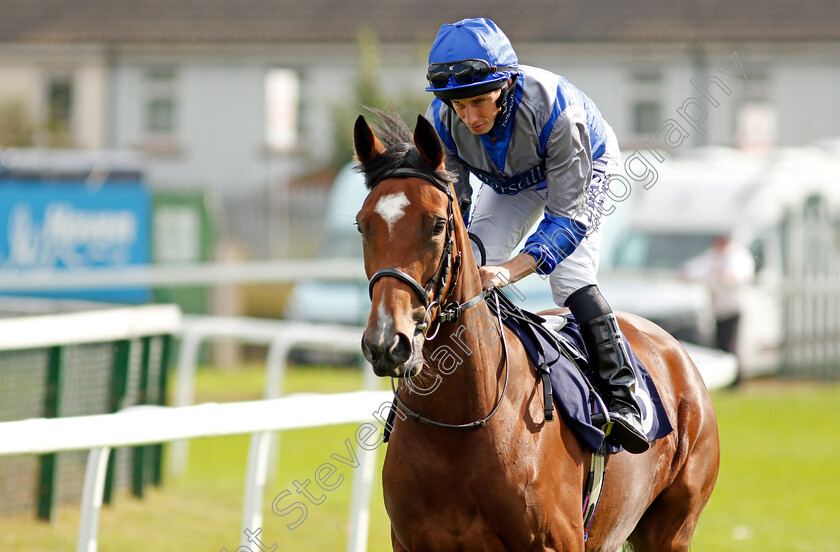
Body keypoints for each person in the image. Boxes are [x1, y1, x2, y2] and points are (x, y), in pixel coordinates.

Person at [423, 17, 649, 453]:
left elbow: (567, 220)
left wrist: (509, 272)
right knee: (469, 256)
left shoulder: (557, 112)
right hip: (513, 182)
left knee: (570, 279)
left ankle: (624, 397)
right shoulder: (443, 120)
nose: (470, 118)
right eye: (458, 106)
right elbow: (455, 205)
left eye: (479, 102)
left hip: (586, 166)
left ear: (504, 85)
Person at [682, 234, 756, 385]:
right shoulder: (713, 254)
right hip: (718, 309)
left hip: (733, 308)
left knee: (730, 345)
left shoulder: (737, 255)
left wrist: (721, 278)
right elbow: (694, 269)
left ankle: (735, 381)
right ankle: (727, 379)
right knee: (720, 344)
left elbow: (733, 277)